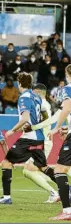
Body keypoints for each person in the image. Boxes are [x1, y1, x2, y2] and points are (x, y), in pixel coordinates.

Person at [0, 72, 57, 205]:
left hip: (28, 138)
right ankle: (67, 189)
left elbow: (26, 118)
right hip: (39, 137)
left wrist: (12, 130)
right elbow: (41, 116)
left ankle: (6, 197)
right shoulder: (37, 97)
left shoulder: (24, 98)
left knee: (6, 163)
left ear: (19, 83)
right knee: (42, 167)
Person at [22, 84, 60, 203]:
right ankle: (65, 189)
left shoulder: (42, 105)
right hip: (41, 141)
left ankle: (55, 193)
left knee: (28, 170)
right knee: (40, 168)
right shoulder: (42, 104)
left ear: (37, 92)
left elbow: (44, 121)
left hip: (42, 141)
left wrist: (31, 128)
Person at [48, 64, 71, 220]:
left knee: (59, 170)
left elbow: (66, 109)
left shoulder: (67, 89)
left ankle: (67, 212)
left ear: (67, 74)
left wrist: (56, 128)